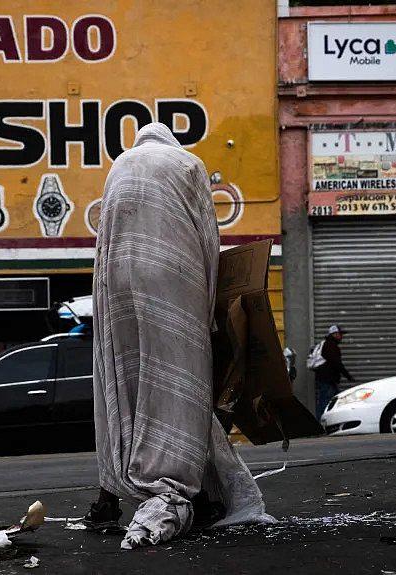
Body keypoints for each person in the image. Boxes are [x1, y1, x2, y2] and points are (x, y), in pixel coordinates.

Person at [85, 123, 274, 549]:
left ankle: (111, 491)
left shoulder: (119, 166)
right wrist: (209, 306)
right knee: (180, 385)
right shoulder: (189, 163)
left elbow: (104, 239)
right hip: (173, 277)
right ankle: (176, 482)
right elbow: (207, 236)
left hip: (117, 282)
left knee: (125, 382)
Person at [315, 325, 355, 419]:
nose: (341, 337)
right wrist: (348, 376)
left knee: (333, 402)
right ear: (334, 334)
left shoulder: (328, 344)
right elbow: (337, 363)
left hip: (328, 380)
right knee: (325, 403)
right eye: (340, 334)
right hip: (327, 380)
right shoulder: (330, 346)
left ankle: (329, 422)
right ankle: (320, 424)